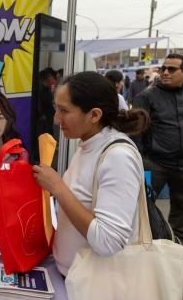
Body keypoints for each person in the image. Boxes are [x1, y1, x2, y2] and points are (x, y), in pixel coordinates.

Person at [31, 71, 149, 276]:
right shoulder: (88, 143)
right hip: (71, 276)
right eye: (55, 109)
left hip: (91, 289)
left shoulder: (118, 157)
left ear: (94, 115)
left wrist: (57, 187)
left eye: (64, 111)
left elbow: (108, 241)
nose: (57, 119)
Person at [132, 53, 183, 260]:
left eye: (172, 69)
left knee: (181, 203)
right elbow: (137, 129)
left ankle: (176, 240)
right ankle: (145, 241)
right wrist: (140, 159)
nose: (165, 73)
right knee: (145, 202)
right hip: (154, 163)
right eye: (163, 68)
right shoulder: (146, 96)